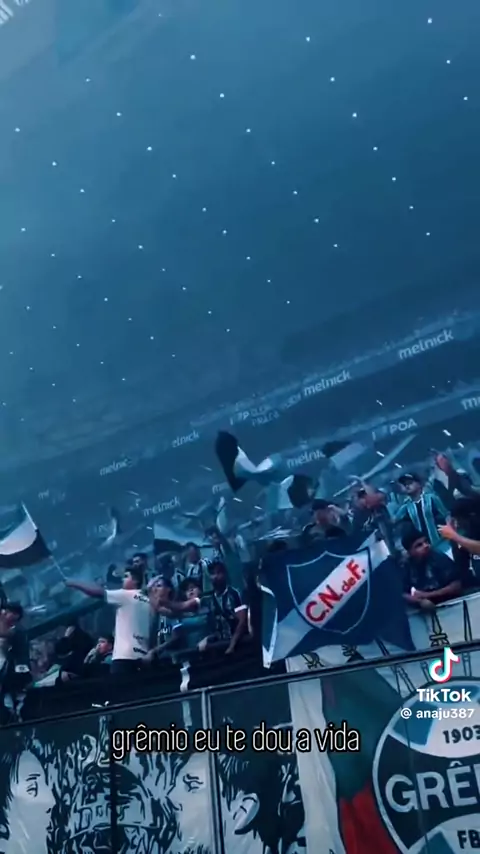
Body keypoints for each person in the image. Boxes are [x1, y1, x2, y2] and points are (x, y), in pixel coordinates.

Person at [65, 566, 150, 676]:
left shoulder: (127, 595)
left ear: (136, 581)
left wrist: (74, 583)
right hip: (143, 656)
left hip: (124, 657)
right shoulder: (147, 600)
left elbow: (98, 593)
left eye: (126, 577)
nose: (122, 580)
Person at [401, 528, 462, 608]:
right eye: (419, 545)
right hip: (425, 608)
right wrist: (419, 601)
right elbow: (401, 593)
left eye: (426, 541)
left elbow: (456, 586)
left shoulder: (439, 558)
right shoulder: (406, 565)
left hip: (452, 604)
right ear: (409, 552)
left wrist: (426, 595)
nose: (426, 546)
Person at [393, 472, 449, 550]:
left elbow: (446, 515)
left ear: (419, 484)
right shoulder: (406, 506)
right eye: (405, 484)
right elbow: (394, 520)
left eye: (410, 483)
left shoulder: (431, 498)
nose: (407, 486)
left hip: (440, 540)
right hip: (422, 546)